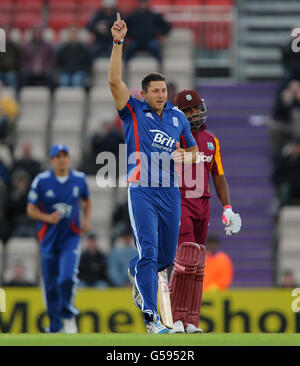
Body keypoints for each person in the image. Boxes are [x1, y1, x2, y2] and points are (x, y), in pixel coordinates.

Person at [108, 13, 198, 334]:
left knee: (163, 261)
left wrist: (184, 155)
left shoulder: (177, 118)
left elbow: (193, 151)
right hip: (142, 188)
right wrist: (118, 43)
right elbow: (113, 82)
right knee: (148, 251)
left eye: (163, 90)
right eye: (155, 91)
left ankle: (136, 272)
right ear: (143, 94)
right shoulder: (133, 110)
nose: (161, 94)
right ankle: (152, 318)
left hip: (170, 191)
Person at [169, 89, 241, 334]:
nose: (194, 113)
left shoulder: (212, 139)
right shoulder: (171, 136)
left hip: (203, 203)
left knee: (198, 264)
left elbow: (218, 177)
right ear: (179, 113)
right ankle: (174, 317)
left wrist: (228, 208)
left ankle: (191, 320)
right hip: (179, 199)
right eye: (188, 110)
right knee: (185, 260)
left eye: (196, 108)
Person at [27, 143, 92, 333]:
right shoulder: (41, 180)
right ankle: (55, 326)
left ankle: (68, 314)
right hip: (48, 239)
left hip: (71, 237)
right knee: (50, 284)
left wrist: (86, 220)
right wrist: (47, 217)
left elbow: (87, 200)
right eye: (58, 156)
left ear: (69, 158)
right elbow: (30, 209)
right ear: (52, 160)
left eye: (65, 155)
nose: (62, 159)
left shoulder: (79, 179)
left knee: (66, 278)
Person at [124, 0, 171, 69]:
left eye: (145, 3)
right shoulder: (133, 15)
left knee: (156, 50)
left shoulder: (154, 15)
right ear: (139, 5)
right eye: (142, 4)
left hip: (150, 40)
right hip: (136, 40)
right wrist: (129, 35)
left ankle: (161, 69)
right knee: (128, 51)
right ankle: (124, 69)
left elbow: (167, 26)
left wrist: (159, 33)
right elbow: (125, 26)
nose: (143, 5)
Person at [19, 25, 56, 91]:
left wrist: (48, 68)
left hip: (44, 71)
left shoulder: (47, 46)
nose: (37, 35)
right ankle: (19, 97)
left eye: (38, 33)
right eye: (35, 33)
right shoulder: (26, 46)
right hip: (30, 71)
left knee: (50, 78)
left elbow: (52, 59)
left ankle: (51, 98)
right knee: (22, 78)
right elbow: (22, 59)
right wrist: (25, 68)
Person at [271, 137, 300, 207]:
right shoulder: (284, 160)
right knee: (284, 189)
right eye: (294, 146)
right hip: (289, 186)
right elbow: (275, 176)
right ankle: (281, 209)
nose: (296, 149)